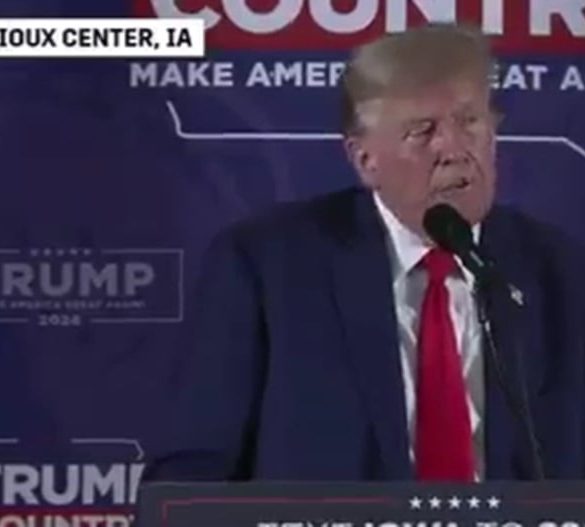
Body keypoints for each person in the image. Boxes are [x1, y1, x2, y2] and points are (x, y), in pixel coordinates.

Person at [147, 23, 585, 482]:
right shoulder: (266, 267)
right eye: (423, 131)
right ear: (365, 160)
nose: (454, 149)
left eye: (469, 121)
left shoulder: (563, 273)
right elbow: (192, 469)